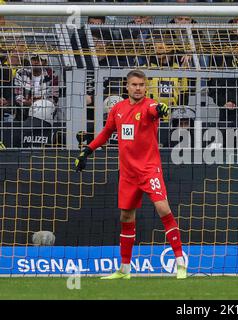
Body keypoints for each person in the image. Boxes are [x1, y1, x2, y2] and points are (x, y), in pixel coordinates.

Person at [74, 70, 187, 280]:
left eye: (141, 85)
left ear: (145, 87)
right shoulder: (117, 109)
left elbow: (157, 109)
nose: (138, 88)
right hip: (127, 173)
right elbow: (107, 133)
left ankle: (180, 263)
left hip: (148, 169)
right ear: (127, 87)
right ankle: (124, 270)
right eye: (134, 85)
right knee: (126, 216)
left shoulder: (149, 106)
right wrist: (87, 150)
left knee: (163, 208)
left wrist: (163, 109)